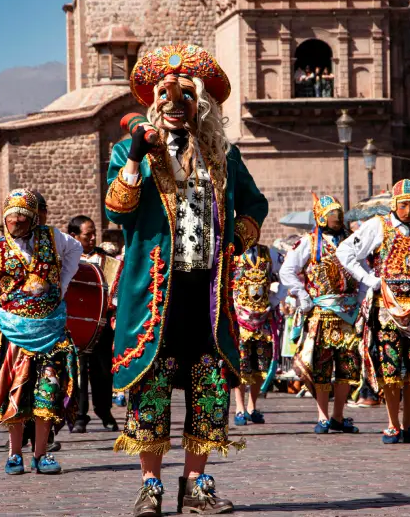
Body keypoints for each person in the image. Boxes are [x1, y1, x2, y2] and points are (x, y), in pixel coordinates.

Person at [106, 43, 268, 516]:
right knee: (152, 385)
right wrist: (135, 160)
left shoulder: (224, 156)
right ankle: (151, 486)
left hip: (207, 292)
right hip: (155, 292)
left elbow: (254, 205)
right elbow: (117, 210)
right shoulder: (127, 150)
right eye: (165, 95)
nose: (175, 104)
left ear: (201, 105)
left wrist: (235, 240)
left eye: (186, 97)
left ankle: (196, 485)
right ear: (154, 102)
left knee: (209, 383)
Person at [0, 189, 83, 476]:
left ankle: (40, 454)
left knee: (48, 391)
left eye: (22, 218)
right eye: (10, 218)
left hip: (50, 330)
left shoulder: (54, 238)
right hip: (16, 334)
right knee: (16, 391)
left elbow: (76, 250)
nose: (15, 222)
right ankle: (15, 453)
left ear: (33, 219)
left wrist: (62, 284)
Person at [337, 179, 410, 444]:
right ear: (394, 204)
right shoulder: (378, 226)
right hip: (386, 310)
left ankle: (409, 423)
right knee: (390, 367)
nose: (409, 211)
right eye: (404, 205)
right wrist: (368, 279)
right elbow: (345, 251)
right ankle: (392, 422)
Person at [279, 194, 362, 436]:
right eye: (332, 214)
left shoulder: (351, 240)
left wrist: (363, 297)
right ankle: (323, 416)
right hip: (321, 314)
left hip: (348, 314)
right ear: (321, 217)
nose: (338, 218)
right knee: (321, 366)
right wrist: (301, 294)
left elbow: (364, 269)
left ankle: (338, 416)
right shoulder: (309, 242)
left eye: (339, 213)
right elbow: (287, 270)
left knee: (347, 367)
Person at [67, 215, 119, 433]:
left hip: (101, 323)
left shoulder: (107, 260)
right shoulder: (67, 260)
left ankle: (104, 411)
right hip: (74, 326)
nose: (92, 238)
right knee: (78, 371)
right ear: (74, 236)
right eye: (87, 235)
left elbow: (115, 289)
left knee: (103, 371)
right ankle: (79, 415)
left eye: (94, 234)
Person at [231, 244, 279, 426]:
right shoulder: (232, 252)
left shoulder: (269, 253)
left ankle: (252, 406)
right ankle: (239, 407)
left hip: (262, 319)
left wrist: (275, 299)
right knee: (241, 364)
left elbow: (287, 273)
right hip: (240, 319)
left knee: (260, 365)